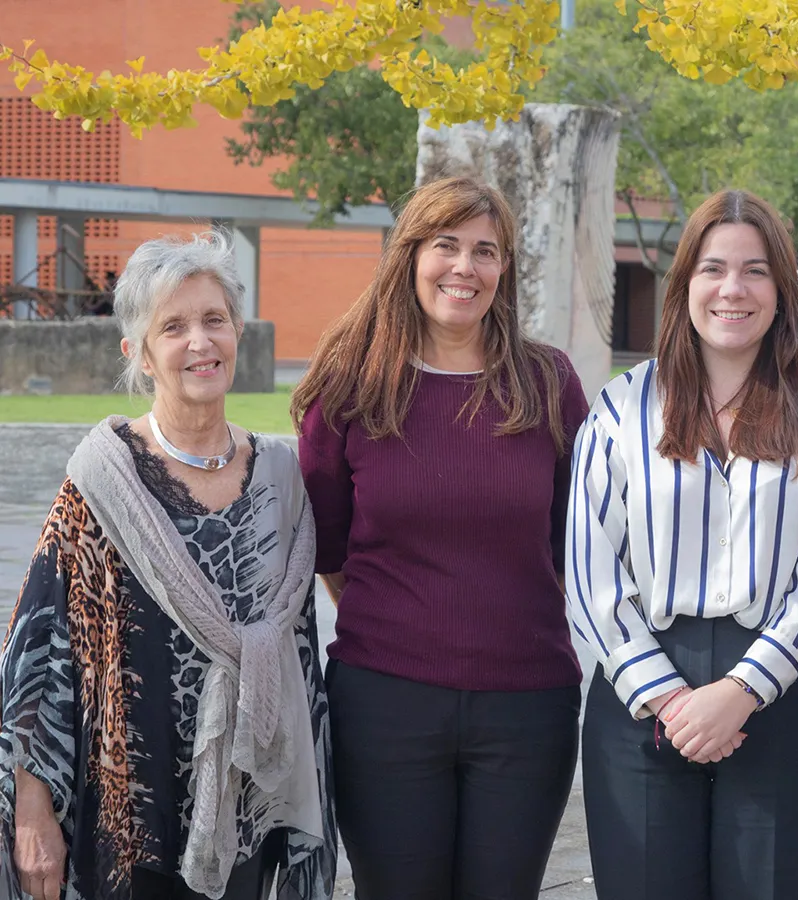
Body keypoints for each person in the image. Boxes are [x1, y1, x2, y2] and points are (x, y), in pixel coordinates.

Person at [0, 232, 334, 900]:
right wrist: (32, 811)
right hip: (126, 822)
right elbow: (38, 659)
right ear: (140, 353)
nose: (199, 343)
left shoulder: (283, 480)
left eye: (214, 320)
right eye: (173, 327)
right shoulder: (100, 481)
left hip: (252, 806)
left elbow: (299, 656)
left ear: (238, 331)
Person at [567, 189, 798, 900]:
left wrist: (740, 692)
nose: (732, 289)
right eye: (713, 268)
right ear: (685, 285)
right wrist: (671, 700)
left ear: (783, 289)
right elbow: (591, 574)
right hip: (640, 695)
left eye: (756, 270)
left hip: (783, 693)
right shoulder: (622, 405)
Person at [294, 176, 590, 899]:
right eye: (446, 245)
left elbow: (576, 545)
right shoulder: (351, 386)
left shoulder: (547, 383)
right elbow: (326, 547)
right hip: (385, 705)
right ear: (409, 256)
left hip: (528, 706)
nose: (465, 267)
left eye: (485, 251)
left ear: (505, 270)